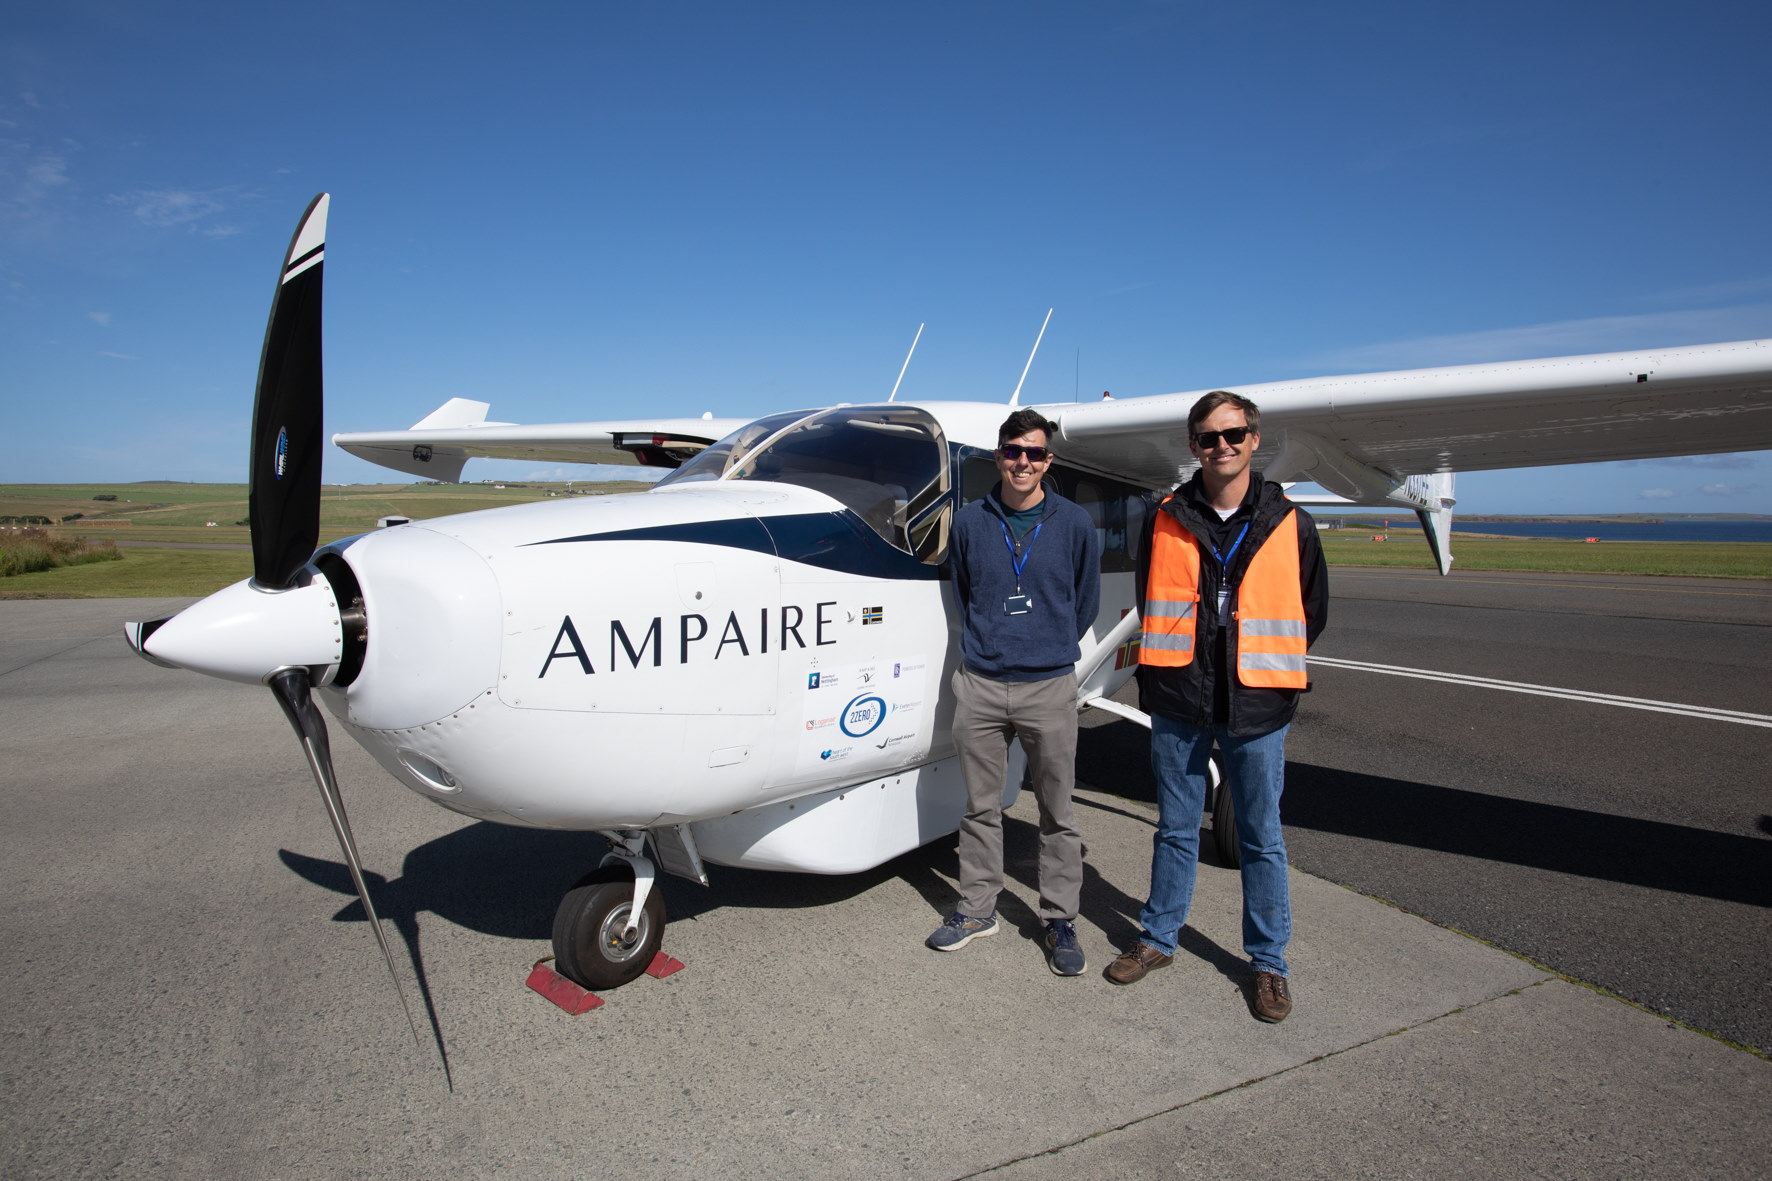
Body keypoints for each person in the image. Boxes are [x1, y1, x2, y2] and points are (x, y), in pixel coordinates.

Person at [1106, 391, 1328, 1022]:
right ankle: (1158, 938)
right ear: (1194, 446)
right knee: (1175, 828)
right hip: (1179, 696)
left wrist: (1259, 663)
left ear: (1254, 439)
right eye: (1209, 437)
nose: (1222, 446)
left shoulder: (1291, 522)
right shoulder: (1164, 517)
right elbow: (1152, 599)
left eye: (1234, 434)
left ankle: (1268, 962)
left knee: (1261, 837)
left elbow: (1310, 611)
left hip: (1259, 702)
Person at [928, 408, 1101, 975]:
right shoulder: (969, 522)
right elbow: (965, 591)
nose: (1023, 462)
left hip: (1048, 685)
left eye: (1034, 453)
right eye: (1012, 451)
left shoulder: (1074, 523)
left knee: (1057, 811)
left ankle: (1059, 918)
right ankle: (978, 910)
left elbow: (1085, 601)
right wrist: (993, 643)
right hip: (980, 685)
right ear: (998, 455)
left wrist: (1046, 644)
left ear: (1048, 460)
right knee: (980, 808)